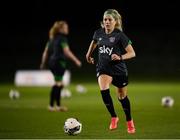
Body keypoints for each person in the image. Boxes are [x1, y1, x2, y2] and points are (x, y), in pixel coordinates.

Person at [86, 9, 136, 133]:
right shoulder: (98, 33)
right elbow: (94, 43)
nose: (107, 22)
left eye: (109, 20)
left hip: (119, 69)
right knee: (104, 90)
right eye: (105, 19)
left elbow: (132, 53)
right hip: (103, 68)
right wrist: (88, 55)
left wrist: (120, 57)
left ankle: (129, 120)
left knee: (122, 97)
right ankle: (114, 117)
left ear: (115, 21)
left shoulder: (120, 35)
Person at [40, 21, 81, 112]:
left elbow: (45, 52)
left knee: (60, 83)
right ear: (60, 29)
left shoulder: (52, 39)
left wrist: (43, 63)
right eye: (65, 28)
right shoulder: (63, 39)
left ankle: (55, 106)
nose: (67, 29)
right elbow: (67, 52)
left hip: (51, 62)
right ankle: (53, 106)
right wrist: (76, 60)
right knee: (57, 84)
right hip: (59, 62)